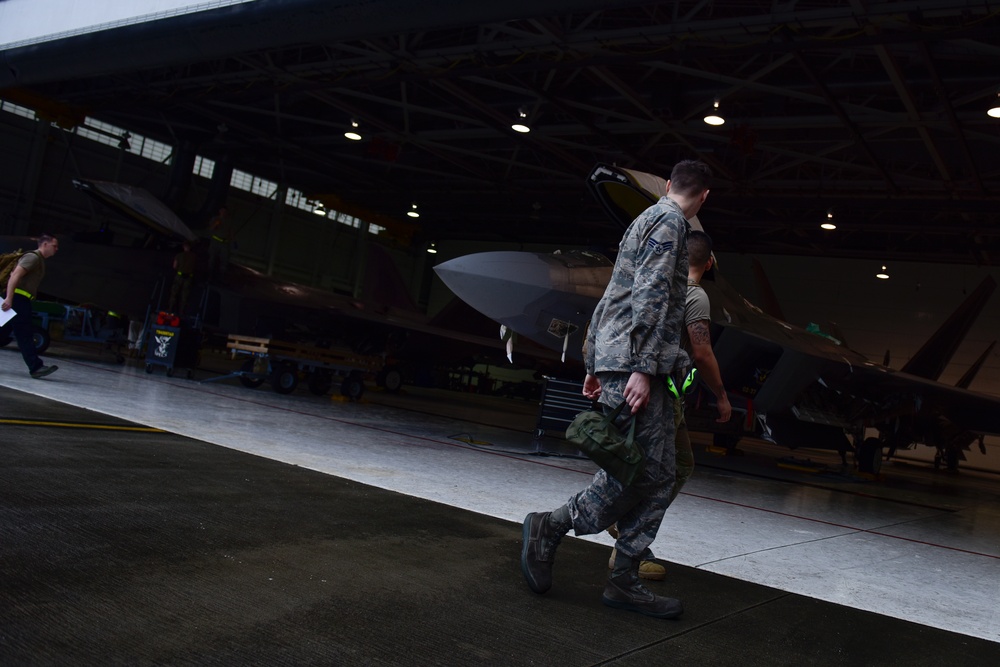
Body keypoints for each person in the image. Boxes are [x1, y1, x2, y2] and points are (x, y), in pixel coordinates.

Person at [520, 159, 712, 619]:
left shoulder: (642, 221)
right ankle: (553, 527)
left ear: (668, 184)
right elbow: (647, 296)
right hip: (637, 365)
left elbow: (612, 293)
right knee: (637, 471)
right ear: (705, 196)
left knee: (658, 473)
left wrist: (594, 359)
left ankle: (622, 577)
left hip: (621, 359)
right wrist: (642, 368)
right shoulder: (670, 226)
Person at [605, 228, 732, 579]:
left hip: (635, 388)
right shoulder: (695, 296)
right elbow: (703, 352)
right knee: (661, 474)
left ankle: (623, 531)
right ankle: (627, 542)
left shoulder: (652, 288)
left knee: (669, 466)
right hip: (662, 398)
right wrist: (721, 395)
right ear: (709, 263)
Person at [1, 234, 60, 378]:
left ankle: (36, 367)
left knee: (2, 335)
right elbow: (15, 276)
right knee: (25, 334)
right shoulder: (32, 258)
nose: (56, 249)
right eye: (54, 246)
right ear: (45, 244)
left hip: (18, 299)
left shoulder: (38, 260)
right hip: (17, 300)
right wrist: (9, 298)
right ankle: (36, 367)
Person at [167, 240, 197, 314]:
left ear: (184, 247)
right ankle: (181, 311)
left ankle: (170, 309)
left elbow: (174, 266)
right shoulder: (194, 257)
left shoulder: (179, 255)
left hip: (179, 276)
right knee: (185, 295)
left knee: (174, 293)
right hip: (189, 278)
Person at [206, 207, 232, 281]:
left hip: (224, 243)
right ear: (220, 211)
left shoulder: (228, 221)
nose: (223, 212)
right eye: (222, 211)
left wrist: (232, 241)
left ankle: (221, 277)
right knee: (212, 258)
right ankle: (209, 276)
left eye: (225, 211)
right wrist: (215, 224)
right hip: (215, 241)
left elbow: (230, 232)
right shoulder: (215, 219)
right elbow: (210, 229)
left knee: (224, 260)